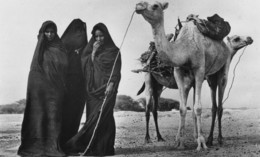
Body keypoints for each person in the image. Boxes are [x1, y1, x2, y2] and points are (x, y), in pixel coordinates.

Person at [64, 23, 121, 156]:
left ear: (106, 35)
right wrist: (94, 52)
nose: (99, 39)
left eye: (102, 36)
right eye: (96, 36)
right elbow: (85, 66)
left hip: (107, 89)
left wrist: (111, 84)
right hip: (92, 90)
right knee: (93, 117)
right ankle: (93, 145)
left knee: (104, 117)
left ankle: (106, 147)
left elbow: (117, 70)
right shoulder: (90, 51)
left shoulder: (114, 51)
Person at [18, 21, 68, 157]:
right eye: (47, 32)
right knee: (39, 116)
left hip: (56, 90)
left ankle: (53, 146)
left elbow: (65, 68)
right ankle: (37, 146)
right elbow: (34, 73)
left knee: (54, 117)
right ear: (42, 33)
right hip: (40, 91)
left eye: (52, 32)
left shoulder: (60, 48)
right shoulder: (39, 49)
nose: (50, 34)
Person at [59, 19, 88, 149]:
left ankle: (70, 141)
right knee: (64, 114)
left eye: (82, 30)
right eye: (78, 30)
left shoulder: (86, 47)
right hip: (66, 85)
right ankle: (61, 142)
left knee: (75, 114)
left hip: (80, 87)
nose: (80, 34)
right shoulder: (62, 45)